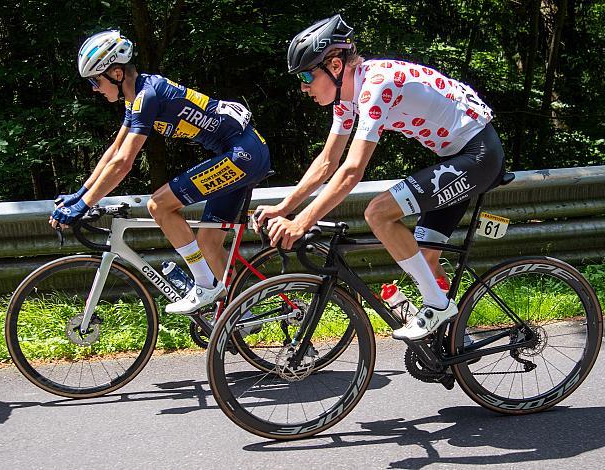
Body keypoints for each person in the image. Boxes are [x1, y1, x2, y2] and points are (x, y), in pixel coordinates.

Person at [255, 15, 504, 340]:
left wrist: (301, 222)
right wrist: (282, 208)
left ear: (333, 65)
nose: (303, 87)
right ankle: (457, 341)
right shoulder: (347, 98)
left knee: (378, 212)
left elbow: (351, 170)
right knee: (426, 257)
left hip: (478, 154)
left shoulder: (376, 86)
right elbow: (327, 162)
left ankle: (437, 307)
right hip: (456, 156)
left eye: (306, 75)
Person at [50, 30, 271, 314]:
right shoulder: (136, 97)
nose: (94, 88)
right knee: (207, 242)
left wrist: (84, 205)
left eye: (95, 80)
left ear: (116, 73)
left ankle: (204, 284)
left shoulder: (147, 96)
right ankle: (244, 313)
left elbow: (124, 164)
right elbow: (114, 152)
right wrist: (80, 196)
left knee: (160, 205)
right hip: (243, 153)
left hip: (243, 155)